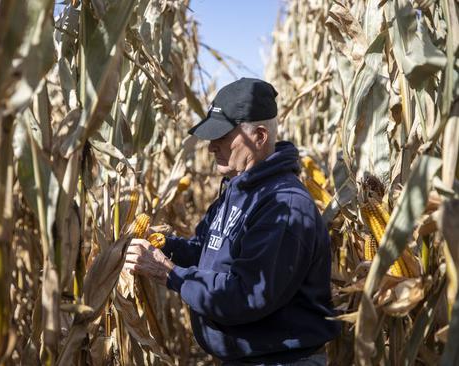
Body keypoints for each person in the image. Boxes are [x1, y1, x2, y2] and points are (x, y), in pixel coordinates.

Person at [124, 78, 340, 365]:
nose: (211, 146)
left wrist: (169, 273)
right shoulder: (236, 190)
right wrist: (163, 244)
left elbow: (245, 295)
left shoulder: (284, 207)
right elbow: (205, 252)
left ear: (259, 137)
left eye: (222, 136)